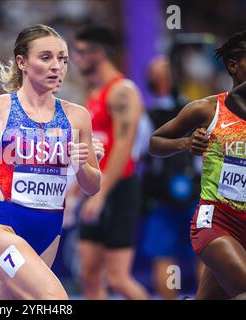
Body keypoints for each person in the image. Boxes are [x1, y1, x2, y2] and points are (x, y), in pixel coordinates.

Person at [0, 24, 101, 300]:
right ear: (22, 62)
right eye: (46, 57)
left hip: (49, 234)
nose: (57, 66)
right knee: (55, 301)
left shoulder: (77, 116)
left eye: (63, 59)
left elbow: (93, 186)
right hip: (1, 229)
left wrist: (80, 164)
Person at [149, 30, 246, 300]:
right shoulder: (207, 109)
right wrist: (185, 143)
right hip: (217, 221)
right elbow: (155, 142)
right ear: (233, 65)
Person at [69, 24, 149, 300]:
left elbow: (123, 149)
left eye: (80, 52)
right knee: (88, 274)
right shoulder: (91, 94)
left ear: (99, 53)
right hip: (96, 189)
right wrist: (76, 191)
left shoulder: (122, 92)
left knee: (117, 279)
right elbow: (90, 150)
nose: (75, 59)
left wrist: (100, 196)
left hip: (119, 190)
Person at [141, 56, 202, 299]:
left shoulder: (194, 109)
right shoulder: (150, 116)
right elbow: (143, 153)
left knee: (204, 252)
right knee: (171, 254)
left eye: (166, 72)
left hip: (191, 193)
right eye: (159, 73)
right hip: (166, 196)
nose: (163, 78)